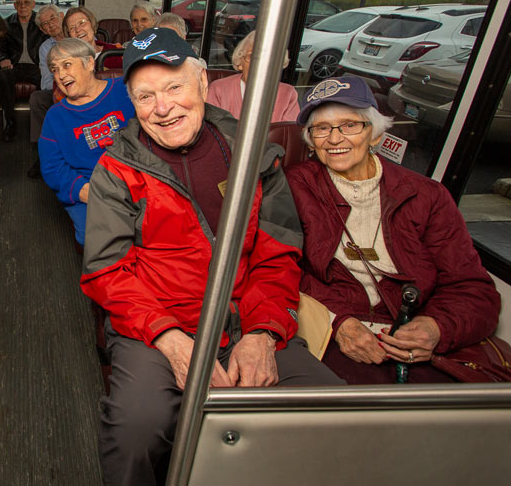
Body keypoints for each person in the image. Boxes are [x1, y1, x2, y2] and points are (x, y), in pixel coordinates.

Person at [81, 28, 343, 485]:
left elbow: (278, 257)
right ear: (132, 104)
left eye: (174, 87)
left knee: (330, 409)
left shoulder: (254, 153)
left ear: (203, 84)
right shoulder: (116, 169)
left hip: (246, 312)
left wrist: (261, 333)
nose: (163, 108)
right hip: (157, 323)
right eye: (145, 97)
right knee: (135, 430)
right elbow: (106, 272)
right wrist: (168, 338)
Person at [285, 76, 501, 384]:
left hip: (408, 330)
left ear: (374, 134)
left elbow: (474, 290)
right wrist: (338, 322)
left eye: (349, 125)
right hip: (333, 328)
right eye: (321, 129)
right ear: (310, 139)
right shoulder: (294, 186)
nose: (334, 139)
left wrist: (436, 327)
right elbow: (280, 269)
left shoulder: (427, 196)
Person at [38, 38, 134, 246]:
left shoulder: (125, 90)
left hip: (136, 179)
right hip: (89, 189)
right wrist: (83, 190)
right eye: (55, 69)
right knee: (105, 245)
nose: (61, 75)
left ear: (89, 63)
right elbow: (52, 167)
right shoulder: (56, 117)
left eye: (67, 65)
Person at [208, 30, 299, 122]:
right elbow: (213, 132)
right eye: (252, 56)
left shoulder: (288, 94)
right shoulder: (218, 89)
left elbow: (288, 133)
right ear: (239, 62)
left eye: (271, 58)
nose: (261, 63)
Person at [0, 0, 47, 142]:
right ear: (14, 5)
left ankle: (44, 126)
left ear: (33, 4)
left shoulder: (40, 23)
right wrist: (3, 58)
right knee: (3, 75)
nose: (23, 6)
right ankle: (10, 122)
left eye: (26, 2)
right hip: (14, 65)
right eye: (19, 3)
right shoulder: (6, 24)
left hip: (36, 65)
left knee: (48, 78)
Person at [27, 3, 65, 178]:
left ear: (62, 17)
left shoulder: (78, 37)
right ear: (42, 30)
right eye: (45, 24)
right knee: (37, 98)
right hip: (60, 92)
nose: (50, 25)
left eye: (53, 19)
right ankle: (43, 154)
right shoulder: (45, 49)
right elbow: (46, 82)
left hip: (86, 92)